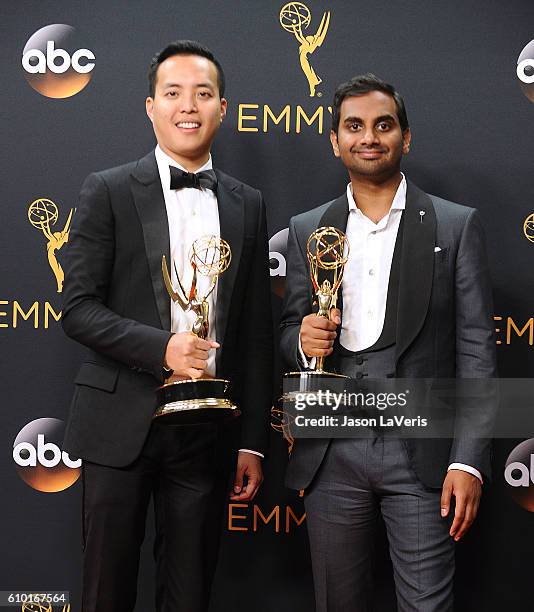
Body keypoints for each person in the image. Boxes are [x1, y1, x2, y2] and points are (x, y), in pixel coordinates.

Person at [61, 40, 273, 612]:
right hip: (117, 426)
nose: (188, 106)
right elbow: (76, 308)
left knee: (190, 594)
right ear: (150, 107)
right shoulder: (106, 190)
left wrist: (253, 440)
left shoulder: (247, 203)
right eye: (173, 93)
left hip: (205, 436)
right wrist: (165, 350)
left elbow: (255, 335)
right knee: (106, 591)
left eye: (203, 94)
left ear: (222, 109)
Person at [279, 73, 496, 611]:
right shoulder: (309, 228)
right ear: (335, 140)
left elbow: (476, 351)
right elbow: (287, 334)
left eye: (383, 125)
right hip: (332, 449)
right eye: (353, 126)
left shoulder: (455, 225)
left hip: (422, 452)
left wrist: (467, 461)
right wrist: (302, 341)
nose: (368, 137)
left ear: (405, 137)